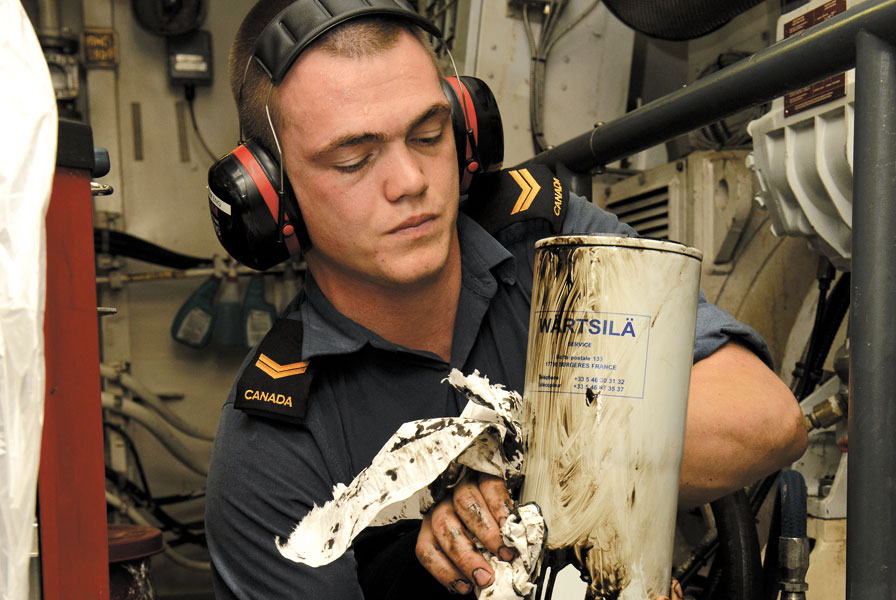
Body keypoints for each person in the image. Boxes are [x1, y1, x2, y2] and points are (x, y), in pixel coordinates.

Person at [204, 1, 808, 598]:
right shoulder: (271, 444)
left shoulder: (550, 243)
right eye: (354, 159)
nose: (411, 181)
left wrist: (506, 477)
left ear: (467, 130)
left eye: (429, 134)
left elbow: (764, 419)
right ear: (270, 199)